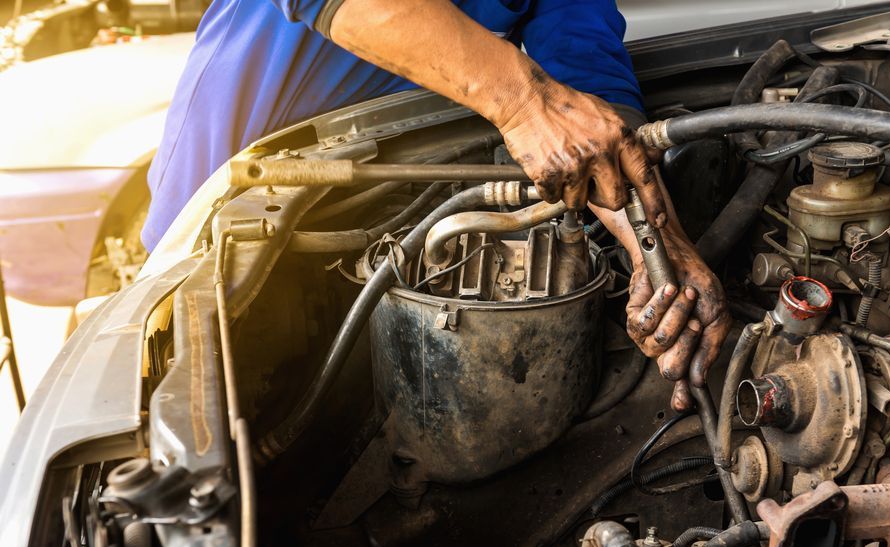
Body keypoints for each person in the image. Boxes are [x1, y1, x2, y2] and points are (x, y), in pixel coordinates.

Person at [142, 0, 729, 409]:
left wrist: (661, 253)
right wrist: (523, 102)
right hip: (236, 198)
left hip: (381, 203)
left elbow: (591, 92)